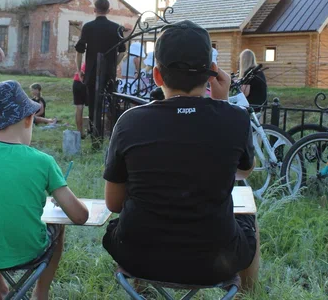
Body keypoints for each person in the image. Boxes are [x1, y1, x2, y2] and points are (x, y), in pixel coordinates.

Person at [102, 20, 259, 292]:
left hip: (137, 257)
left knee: (133, 215)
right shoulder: (236, 119)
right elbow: (243, 171)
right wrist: (222, 106)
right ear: (211, 73)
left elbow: (114, 203)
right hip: (215, 261)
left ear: (157, 75)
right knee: (249, 216)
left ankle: (143, 291)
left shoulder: (129, 122)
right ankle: (246, 295)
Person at [0, 80, 89, 300]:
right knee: (58, 227)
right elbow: (80, 216)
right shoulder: (43, 161)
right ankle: (40, 292)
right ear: (28, 119)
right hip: (28, 251)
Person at [75, 0, 126, 138]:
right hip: (109, 72)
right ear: (109, 10)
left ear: (94, 9)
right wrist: (113, 65)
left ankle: (95, 134)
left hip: (92, 71)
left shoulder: (88, 27)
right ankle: (115, 133)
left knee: (93, 104)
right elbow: (123, 52)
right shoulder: (117, 28)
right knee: (112, 102)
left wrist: (80, 70)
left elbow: (79, 51)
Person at [72, 63, 87, 137]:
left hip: (77, 82)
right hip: (81, 83)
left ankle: (80, 132)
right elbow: (83, 73)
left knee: (79, 108)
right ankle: (80, 132)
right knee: (80, 108)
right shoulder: (92, 61)